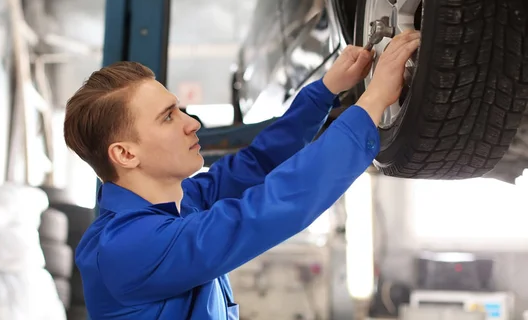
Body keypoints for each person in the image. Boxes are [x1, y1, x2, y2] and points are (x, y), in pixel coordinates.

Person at [63, 30, 421, 319]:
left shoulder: (179, 205)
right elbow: (266, 211)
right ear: (126, 154)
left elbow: (256, 164)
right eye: (168, 116)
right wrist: (371, 103)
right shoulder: (125, 249)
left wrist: (325, 90)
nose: (192, 124)